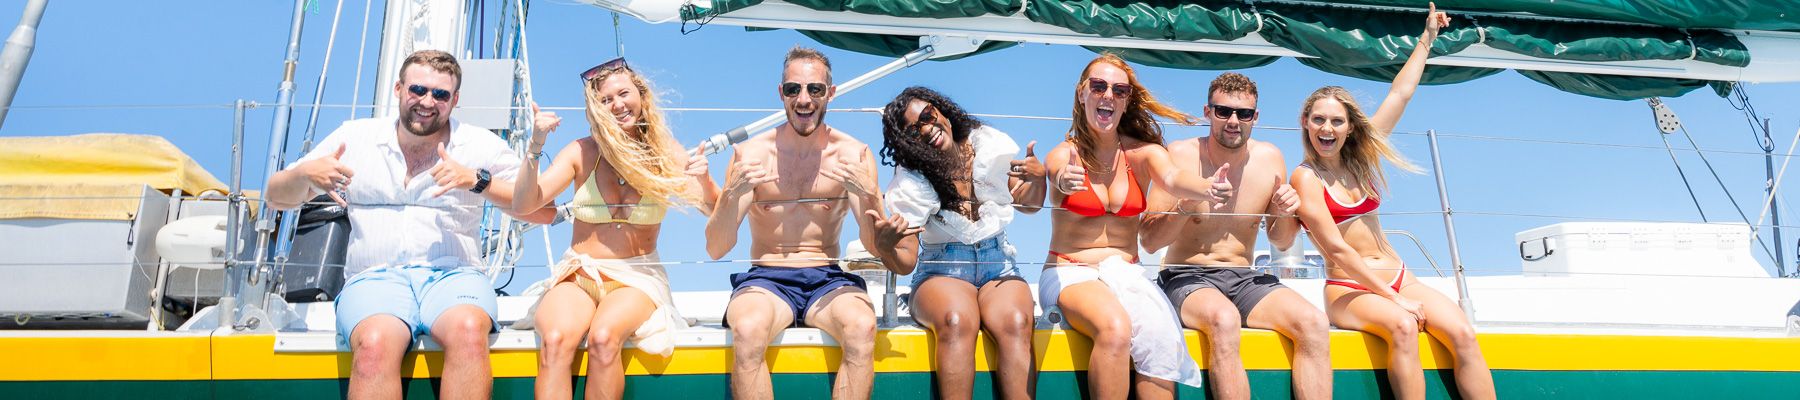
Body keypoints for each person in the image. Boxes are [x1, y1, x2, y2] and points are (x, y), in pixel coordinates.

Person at [264, 49, 541, 400]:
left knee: (469, 331)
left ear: (455, 100)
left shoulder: (479, 145)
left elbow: (539, 210)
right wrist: (305, 174)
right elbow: (275, 196)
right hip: (375, 277)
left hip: (454, 275)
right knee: (374, 344)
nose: (427, 101)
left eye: (440, 94)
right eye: (418, 90)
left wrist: (477, 181)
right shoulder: (356, 137)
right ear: (398, 89)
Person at [1285, 4, 1495, 399]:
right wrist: (1394, 298)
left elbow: (1401, 92)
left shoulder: (1361, 161)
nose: (1327, 128)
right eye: (1318, 119)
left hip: (1399, 275)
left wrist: (1427, 37)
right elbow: (1337, 249)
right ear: (1305, 123)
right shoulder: (1305, 177)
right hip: (1349, 288)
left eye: (1336, 121)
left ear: (1350, 127)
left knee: (1464, 333)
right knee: (1402, 326)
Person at [510, 56, 720, 400]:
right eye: (606, 100)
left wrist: (705, 180)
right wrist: (535, 145)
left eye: (623, 94)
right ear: (596, 109)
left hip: (636, 277)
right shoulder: (581, 151)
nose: (618, 105)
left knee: (604, 338)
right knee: (555, 340)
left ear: (641, 96)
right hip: (579, 273)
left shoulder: (665, 152)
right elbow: (524, 204)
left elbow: (713, 208)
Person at [1038, 53, 1235, 399]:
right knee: (1115, 328)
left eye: (1119, 90)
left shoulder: (1142, 154)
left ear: (1127, 101)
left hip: (1127, 273)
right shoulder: (1065, 154)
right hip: (1069, 272)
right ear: (1081, 93)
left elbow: (1172, 177)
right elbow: (1056, 173)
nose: (1108, 95)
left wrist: (1206, 187)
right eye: (1098, 86)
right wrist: (1064, 180)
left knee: (1161, 337)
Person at [704, 46, 885, 400]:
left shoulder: (853, 154)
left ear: (831, 93)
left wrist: (869, 195)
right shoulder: (751, 155)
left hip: (828, 278)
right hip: (767, 279)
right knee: (748, 329)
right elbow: (716, 247)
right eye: (793, 89)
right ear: (781, 93)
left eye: (815, 89)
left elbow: (875, 246)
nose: (804, 99)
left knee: (862, 326)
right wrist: (731, 194)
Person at [1139, 72, 1330, 400]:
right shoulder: (1180, 156)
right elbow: (1149, 240)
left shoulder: (1270, 159)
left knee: (1314, 323)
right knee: (1224, 320)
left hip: (1245, 278)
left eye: (1243, 113)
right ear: (1207, 112)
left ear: (1255, 117)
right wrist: (1188, 204)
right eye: (1223, 111)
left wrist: (1285, 211)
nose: (1233, 121)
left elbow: (1281, 241)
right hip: (1185, 275)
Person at [866, 86, 1045, 400]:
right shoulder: (913, 181)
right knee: (956, 320)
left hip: (997, 263)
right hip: (941, 270)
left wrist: (1038, 179)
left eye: (927, 116)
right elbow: (905, 262)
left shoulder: (989, 146)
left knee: (1017, 322)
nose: (927, 129)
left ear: (942, 111)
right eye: (913, 131)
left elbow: (1029, 205)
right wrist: (885, 247)